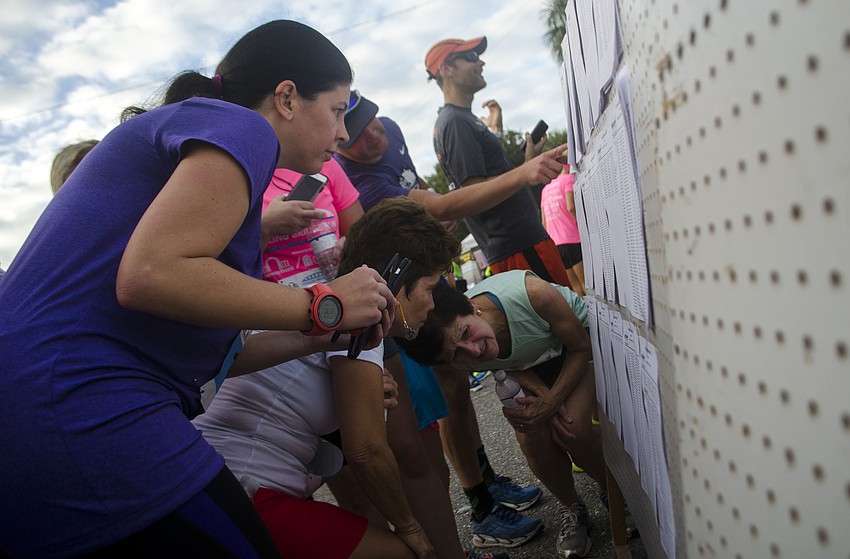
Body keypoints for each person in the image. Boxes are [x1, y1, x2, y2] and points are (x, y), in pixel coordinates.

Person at [0, 20, 396, 558]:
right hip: (81, 409)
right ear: (285, 98)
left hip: (37, 421)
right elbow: (151, 275)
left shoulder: (212, 165)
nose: (344, 133)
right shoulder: (240, 128)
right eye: (337, 109)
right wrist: (326, 303)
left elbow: (224, 354)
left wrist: (322, 333)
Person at [336, 93, 559, 549]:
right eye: (356, 134)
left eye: (373, 119)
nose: (372, 132)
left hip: (416, 279)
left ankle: (484, 480)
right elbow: (434, 206)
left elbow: (428, 201)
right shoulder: (359, 184)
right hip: (398, 298)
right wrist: (520, 173)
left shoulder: (391, 131)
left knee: (455, 386)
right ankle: (475, 506)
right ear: (339, 142)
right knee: (430, 418)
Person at [194, 197, 459, 559]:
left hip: (222, 483)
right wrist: (411, 529)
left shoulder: (342, 311)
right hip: (245, 492)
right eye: (429, 288)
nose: (432, 304)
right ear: (397, 280)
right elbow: (366, 452)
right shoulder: (360, 318)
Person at [399, 270, 607, 558]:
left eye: (466, 333)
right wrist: (543, 400)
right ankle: (572, 508)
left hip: (577, 353)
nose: (473, 351)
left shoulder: (535, 295)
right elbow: (507, 366)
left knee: (574, 430)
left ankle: (614, 492)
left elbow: (580, 347)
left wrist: (551, 403)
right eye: (457, 354)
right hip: (532, 368)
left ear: (472, 307)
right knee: (531, 437)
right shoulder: (451, 356)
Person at [541, 164, 586, 296]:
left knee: (575, 287)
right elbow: (571, 207)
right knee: (587, 284)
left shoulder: (545, 190)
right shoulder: (568, 179)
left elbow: (544, 222)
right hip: (572, 238)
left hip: (556, 245)